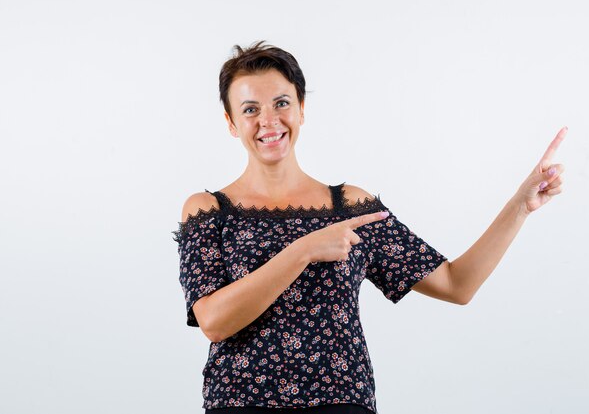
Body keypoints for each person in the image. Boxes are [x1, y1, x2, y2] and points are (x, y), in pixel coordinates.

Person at [172, 41, 566, 414]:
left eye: (281, 103)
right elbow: (214, 321)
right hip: (242, 404)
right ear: (230, 122)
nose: (269, 121)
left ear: (302, 109)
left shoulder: (350, 206)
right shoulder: (208, 210)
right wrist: (304, 249)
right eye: (250, 109)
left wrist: (521, 205)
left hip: (342, 402)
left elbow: (456, 284)